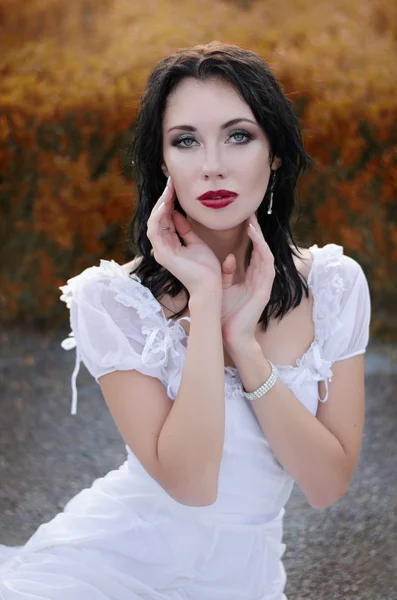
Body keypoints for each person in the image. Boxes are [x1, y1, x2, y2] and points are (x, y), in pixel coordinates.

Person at [0, 41, 371, 600]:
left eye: (239, 135)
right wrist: (203, 299)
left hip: (245, 581)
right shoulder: (112, 300)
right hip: (106, 569)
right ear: (162, 161)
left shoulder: (335, 286)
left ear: (274, 153)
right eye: (186, 141)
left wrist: (244, 346)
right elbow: (192, 484)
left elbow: (326, 484)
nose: (213, 164)